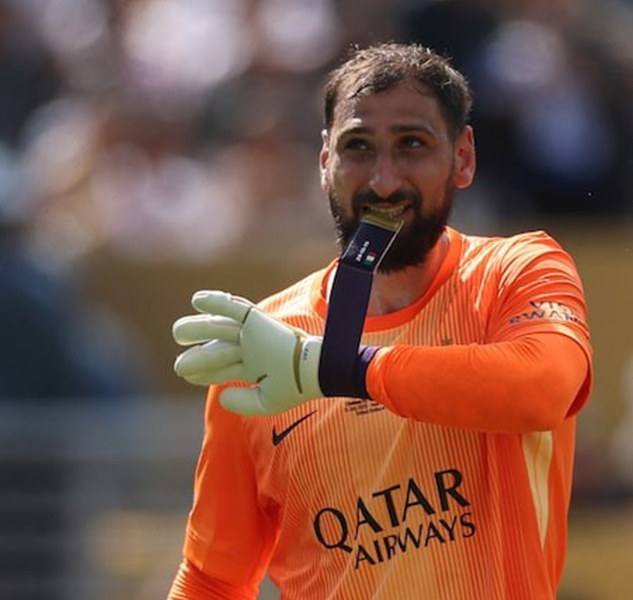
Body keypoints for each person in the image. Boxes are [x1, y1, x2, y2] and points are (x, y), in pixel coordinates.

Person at [168, 43, 593, 600]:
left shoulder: (516, 273)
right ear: (325, 162)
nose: (384, 181)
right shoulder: (261, 346)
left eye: (411, 145)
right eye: (358, 147)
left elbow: (543, 388)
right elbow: (213, 580)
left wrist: (339, 368)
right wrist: (320, 363)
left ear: (463, 158)